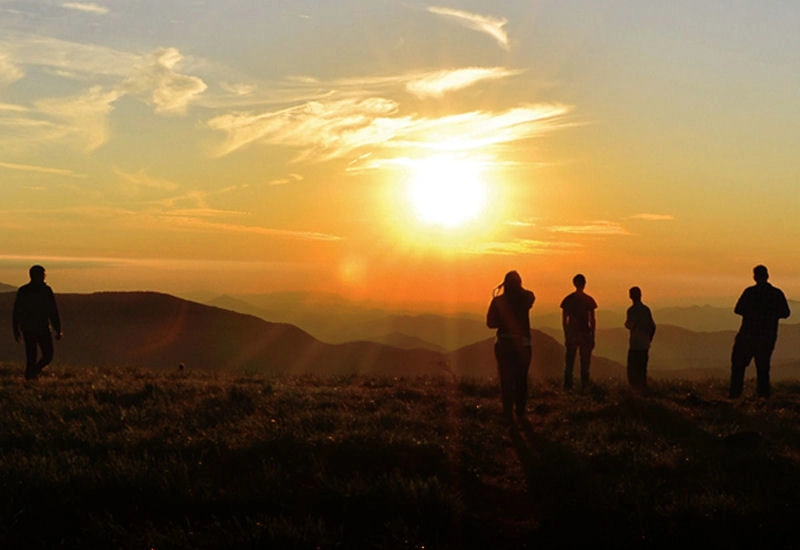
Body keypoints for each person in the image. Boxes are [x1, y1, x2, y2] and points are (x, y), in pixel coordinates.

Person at [729, 265, 790, 399]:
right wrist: (771, 315)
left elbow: (738, 309)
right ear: (767, 276)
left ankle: (735, 396)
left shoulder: (750, 292)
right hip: (767, 336)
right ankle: (763, 398)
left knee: (738, 365)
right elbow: (786, 313)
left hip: (747, 335)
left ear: (755, 277)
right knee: (763, 368)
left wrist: (752, 313)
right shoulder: (776, 293)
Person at [486, 271, 535, 422]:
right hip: (523, 343)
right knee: (521, 378)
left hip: (504, 342)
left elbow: (490, 323)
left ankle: (508, 412)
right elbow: (530, 298)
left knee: (506, 378)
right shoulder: (527, 297)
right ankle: (520, 411)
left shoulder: (498, 301)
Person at [12, 265, 62, 380]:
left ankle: (32, 373)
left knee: (38, 355)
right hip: (38, 328)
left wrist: (16, 329)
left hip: (32, 328)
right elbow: (53, 311)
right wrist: (57, 329)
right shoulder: (44, 291)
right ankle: (32, 375)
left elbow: (17, 312)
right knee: (42, 355)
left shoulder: (24, 290)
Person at [561, 274, 597, 390]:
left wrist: (566, 335)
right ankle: (584, 385)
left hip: (572, 333)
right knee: (585, 362)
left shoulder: (568, 300)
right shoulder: (589, 300)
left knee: (570, 361)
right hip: (585, 334)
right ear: (584, 284)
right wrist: (592, 336)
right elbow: (592, 320)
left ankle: (568, 386)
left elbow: (564, 320)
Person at [625, 286, 656, 391]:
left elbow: (630, 325)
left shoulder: (631, 310)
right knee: (642, 368)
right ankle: (643, 389)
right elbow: (652, 326)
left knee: (632, 368)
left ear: (630, 296)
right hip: (644, 344)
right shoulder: (646, 310)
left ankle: (634, 390)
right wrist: (649, 339)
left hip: (635, 344)